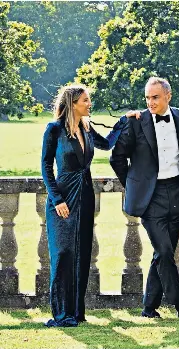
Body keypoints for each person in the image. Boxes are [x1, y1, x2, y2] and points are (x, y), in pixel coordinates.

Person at [110, 77, 179, 319]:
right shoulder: (136, 122)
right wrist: (134, 184)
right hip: (151, 197)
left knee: (162, 252)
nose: (150, 102)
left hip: (177, 192)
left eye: (155, 97)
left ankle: (149, 308)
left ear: (168, 96)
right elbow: (116, 158)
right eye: (147, 98)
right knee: (165, 251)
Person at [41, 84, 128, 327]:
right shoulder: (54, 129)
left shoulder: (86, 128)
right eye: (85, 101)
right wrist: (57, 199)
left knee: (81, 254)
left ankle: (77, 313)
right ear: (72, 104)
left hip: (86, 195)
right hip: (63, 198)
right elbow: (46, 167)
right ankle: (61, 314)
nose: (89, 104)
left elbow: (108, 143)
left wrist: (123, 121)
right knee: (63, 254)